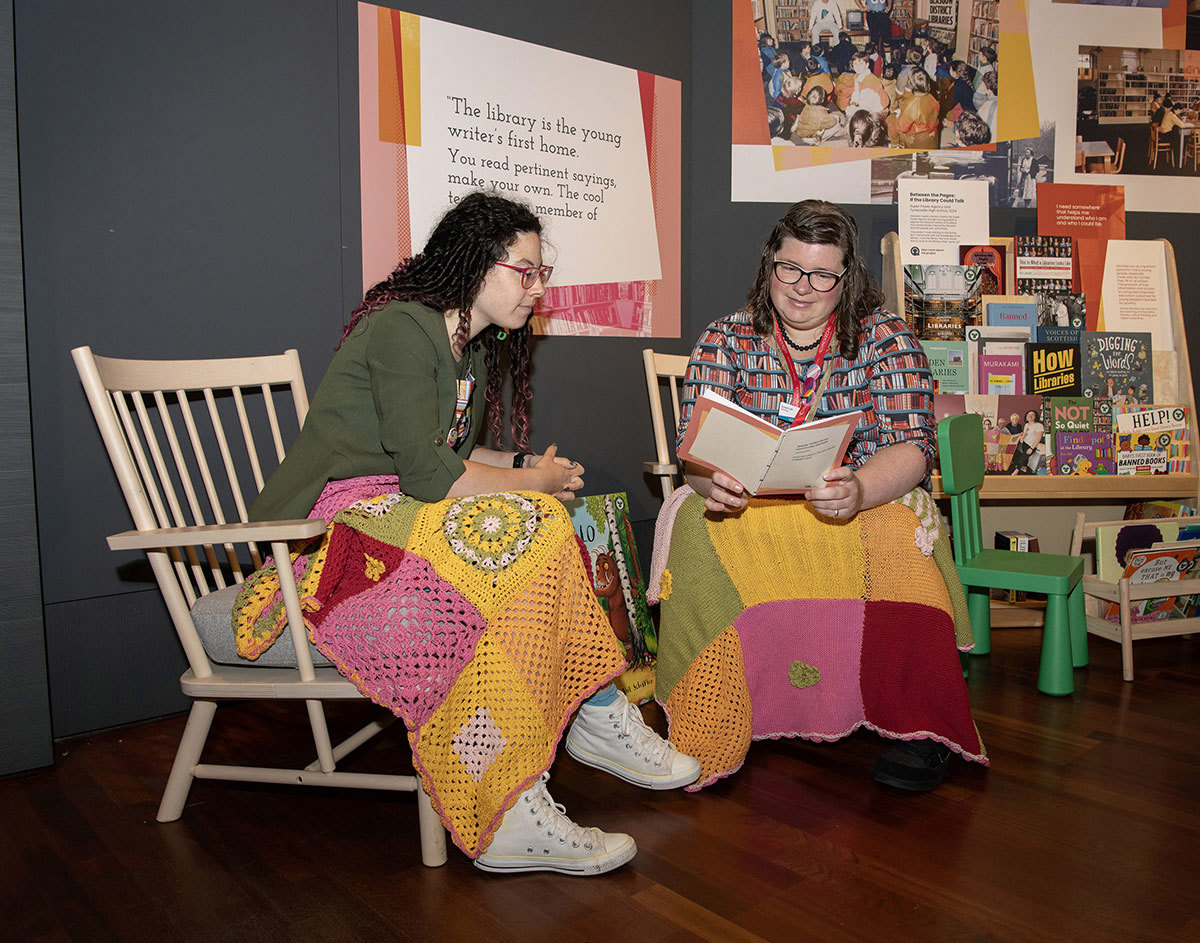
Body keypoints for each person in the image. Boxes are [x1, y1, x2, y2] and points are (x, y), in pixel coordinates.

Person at [239, 191, 700, 876]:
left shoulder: (471, 348)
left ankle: (569, 737)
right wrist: (531, 486)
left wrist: (522, 467)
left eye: (542, 273)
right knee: (530, 524)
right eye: (525, 271)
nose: (537, 288)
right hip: (334, 523)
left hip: (402, 509)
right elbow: (430, 474)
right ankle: (567, 743)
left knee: (532, 533)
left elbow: (451, 451)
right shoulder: (402, 327)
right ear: (475, 263)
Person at [650, 200, 987, 795]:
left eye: (823, 275)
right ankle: (715, 717)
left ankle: (920, 727)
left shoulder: (887, 337)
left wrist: (860, 489)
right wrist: (711, 482)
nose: (803, 288)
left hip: (858, 500)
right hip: (749, 503)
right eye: (790, 269)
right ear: (769, 263)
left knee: (899, 535)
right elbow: (694, 452)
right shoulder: (725, 337)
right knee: (699, 529)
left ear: (847, 277)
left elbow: (913, 447)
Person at [893, 67, 939, 149]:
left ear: (911, 84)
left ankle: (897, 145)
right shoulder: (932, 97)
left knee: (891, 121)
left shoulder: (911, 104)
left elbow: (901, 127)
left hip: (916, 141)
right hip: (932, 137)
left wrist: (898, 115)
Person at [1008, 409, 1044, 474]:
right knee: (1024, 457)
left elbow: (1038, 438)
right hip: (1025, 443)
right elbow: (1025, 434)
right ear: (1026, 416)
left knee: (1022, 458)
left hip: (1031, 445)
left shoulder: (1039, 425)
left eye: (1032, 415)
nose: (1030, 416)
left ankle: (1016, 471)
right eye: (1029, 415)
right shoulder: (1026, 425)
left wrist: (1032, 448)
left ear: (1036, 416)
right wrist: (1022, 438)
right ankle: (1024, 468)